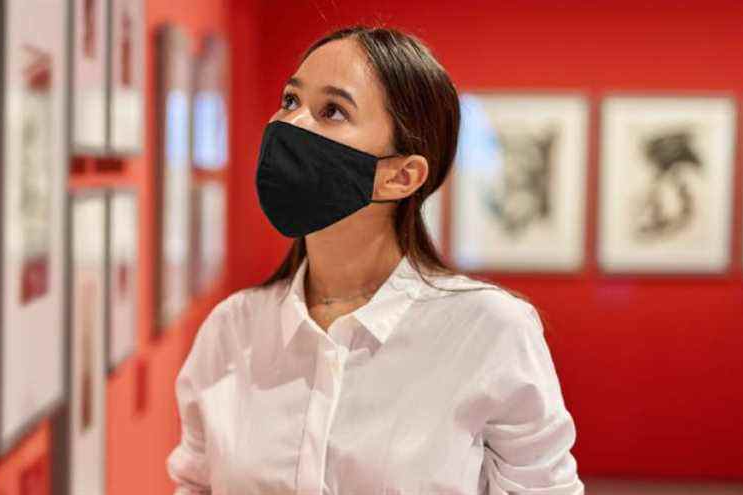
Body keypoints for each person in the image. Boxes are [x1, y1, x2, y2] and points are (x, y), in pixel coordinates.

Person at [166, 26, 582, 494]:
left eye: (332, 111)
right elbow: (196, 484)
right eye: (289, 100)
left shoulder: (491, 329)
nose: (290, 125)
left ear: (401, 176)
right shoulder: (232, 329)